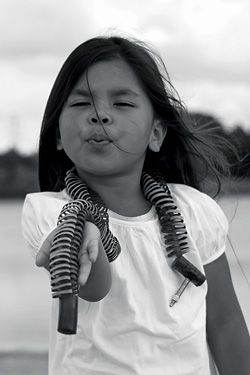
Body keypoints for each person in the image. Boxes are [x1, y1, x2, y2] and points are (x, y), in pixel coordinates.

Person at [22, 35, 250, 375]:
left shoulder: (195, 211)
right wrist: (81, 237)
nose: (100, 115)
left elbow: (225, 322)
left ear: (156, 133)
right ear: (57, 134)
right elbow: (94, 289)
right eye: (82, 104)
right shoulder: (50, 212)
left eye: (122, 104)